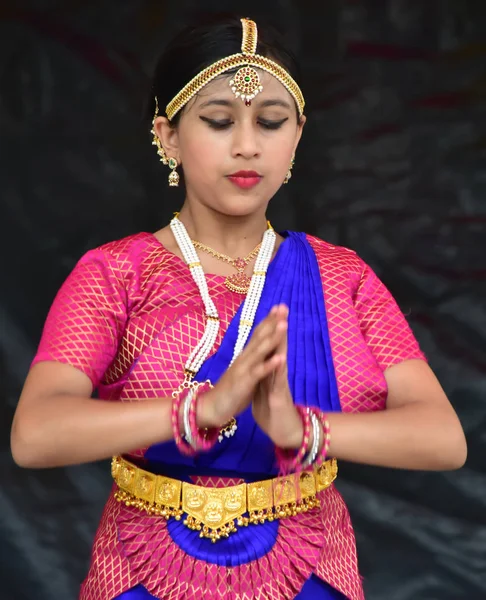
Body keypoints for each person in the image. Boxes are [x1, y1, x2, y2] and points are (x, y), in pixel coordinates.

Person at [11, 15, 467, 600]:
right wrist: (199, 409)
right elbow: (36, 433)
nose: (248, 144)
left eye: (271, 122)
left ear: (298, 136)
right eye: (220, 121)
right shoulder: (115, 275)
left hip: (308, 571)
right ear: (168, 135)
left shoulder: (341, 277)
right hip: (144, 573)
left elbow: (442, 438)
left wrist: (303, 428)